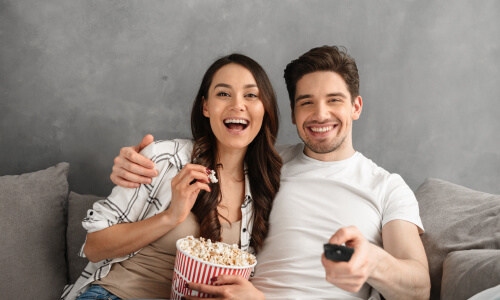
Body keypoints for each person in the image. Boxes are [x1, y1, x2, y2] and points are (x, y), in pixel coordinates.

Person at [110, 46, 431, 300]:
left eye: (334, 100)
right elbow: (194, 158)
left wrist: (372, 261)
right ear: (292, 113)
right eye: (307, 103)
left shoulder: (387, 187)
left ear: (356, 107)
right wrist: (135, 166)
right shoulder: (265, 165)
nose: (320, 114)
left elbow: (419, 288)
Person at [61, 53, 282, 300]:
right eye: (223, 93)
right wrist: (171, 216)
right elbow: (94, 247)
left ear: (265, 108)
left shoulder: (268, 184)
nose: (237, 105)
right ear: (206, 107)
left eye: (251, 95)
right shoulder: (165, 158)